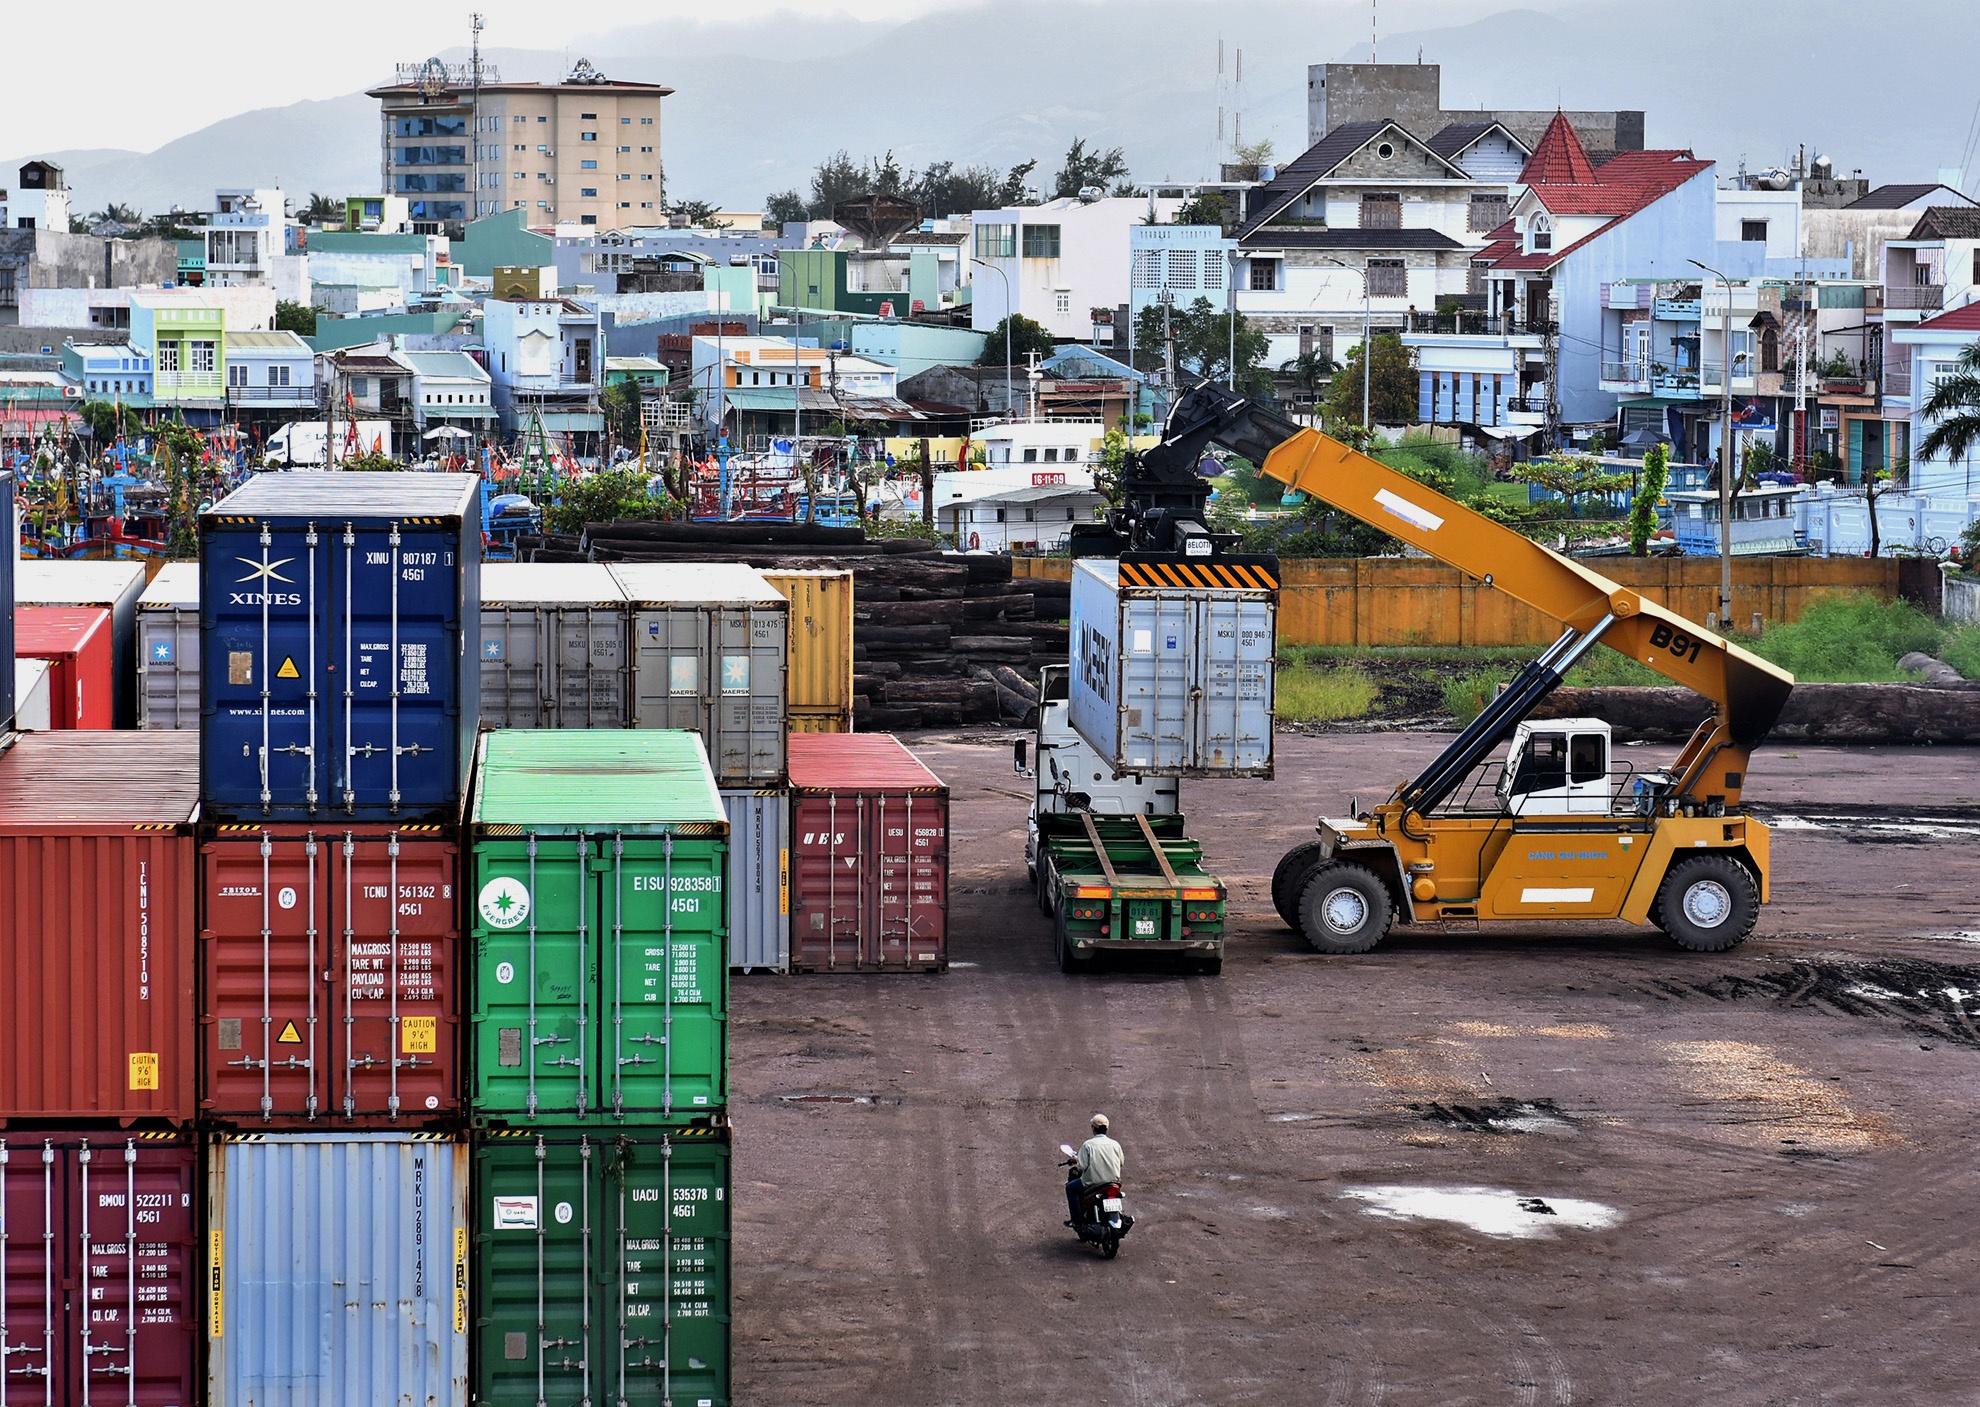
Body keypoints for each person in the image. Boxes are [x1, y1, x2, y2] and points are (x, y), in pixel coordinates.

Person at [1065, 1113, 1124, 1227]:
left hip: (1093, 1183)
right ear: (1107, 1128)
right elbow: (1121, 1162)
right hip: (1114, 1182)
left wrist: (1076, 1160)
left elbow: (1081, 1167)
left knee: (1070, 1188)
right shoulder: (1115, 1144)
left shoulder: (1088, 1145)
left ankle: (1076, 1221)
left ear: (1093, 1128)